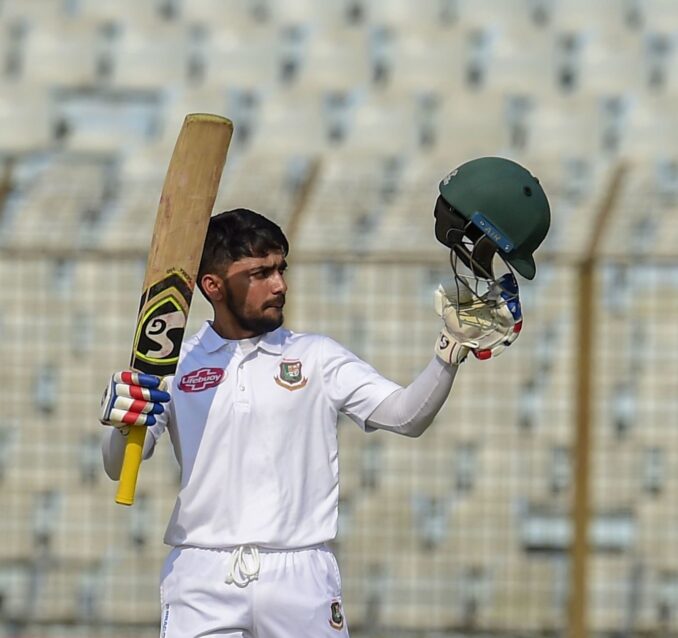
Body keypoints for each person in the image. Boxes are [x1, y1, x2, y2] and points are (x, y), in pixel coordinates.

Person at [99, 158, 549, 638]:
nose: (279, 285)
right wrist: (121, 421)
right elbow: (118, 464)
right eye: (259, 274)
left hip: (302, 575)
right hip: (201, 574)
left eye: (280, 269)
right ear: (213, 286)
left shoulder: (316, 357)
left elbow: (405, 417)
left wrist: (447, 353)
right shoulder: (174, 363)